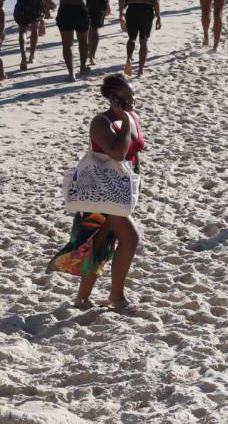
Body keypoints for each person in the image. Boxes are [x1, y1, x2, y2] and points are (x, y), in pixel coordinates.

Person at [53, 74, 144, 310]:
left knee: (100, 241)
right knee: (130, 238)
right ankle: (116, 297)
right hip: (102, 192)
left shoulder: (132, 117)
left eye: (133, 94)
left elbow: (134, 153)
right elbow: (118, 153)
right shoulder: (100, 122)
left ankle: (82, 298)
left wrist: (127, 117)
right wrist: (124, 120)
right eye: (127, 96)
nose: (132, 99)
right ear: (113, 98)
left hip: (118, 189)